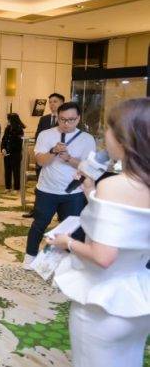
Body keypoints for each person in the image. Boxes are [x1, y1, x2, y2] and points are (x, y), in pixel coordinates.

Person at [49, 98, 150, 367]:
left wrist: (67, 242)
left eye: (109, 128)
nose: (105, 135)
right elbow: (128, 226)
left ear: (124, 138)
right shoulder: (137, 185)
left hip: (104, 303)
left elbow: (104, 256)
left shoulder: (115, 186)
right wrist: (91, 192)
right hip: (138, 297)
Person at [23, 101, 96, 269]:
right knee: (39, 224)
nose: (66, 124)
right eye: (62, 119)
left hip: (73, 193)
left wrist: (69, 158)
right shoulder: (46, 135)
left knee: (72, 229)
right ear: (57, 117)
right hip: (46, 190)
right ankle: (30, 256)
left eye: (71, 120)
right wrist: (53, 151)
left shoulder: (87, 139)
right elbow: (40, 161)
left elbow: (89, 168)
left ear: (78, 118)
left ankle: (66, 263)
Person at [23, 92, 66, 217]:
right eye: (50, 102)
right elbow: (38, 137)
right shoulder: (44, 119)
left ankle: (61, 213)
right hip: (43, 158)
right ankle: (37, 210)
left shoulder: (66, 120)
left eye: (55, 101)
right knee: (40, 186)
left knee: (59, 186)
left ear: (62, 103)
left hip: (59, 160)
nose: (52, 104)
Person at [0, 113, 26, 192]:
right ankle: (7, 187)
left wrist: (10, 150)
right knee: (7, 171)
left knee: (16, 171)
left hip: (15, 154)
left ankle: (16, 188)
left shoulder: (19, 130)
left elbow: (18, 144)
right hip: (6, 153)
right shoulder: (7, 128)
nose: (7, 121)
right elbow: (4, 139)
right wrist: (3, 148)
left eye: (9, 119)